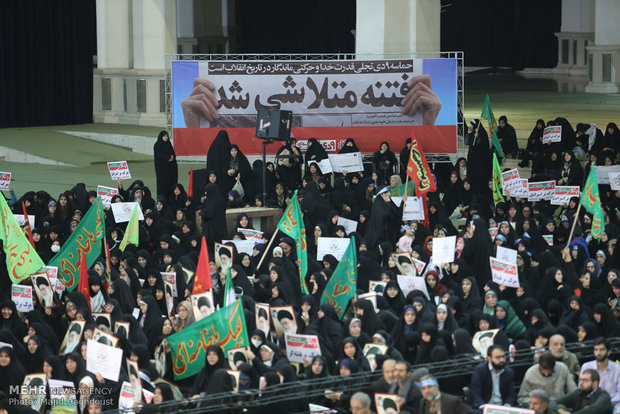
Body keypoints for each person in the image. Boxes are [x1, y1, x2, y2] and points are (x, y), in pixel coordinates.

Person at [469, 344, 516, 411]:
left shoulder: (508, 372)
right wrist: (484, 408)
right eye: (498, 357)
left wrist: (507, 406)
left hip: (502, 407)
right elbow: (476, 393)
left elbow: (510, 395)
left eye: (503, 356)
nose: (502, 360)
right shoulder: (480, 370)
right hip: (485, 406)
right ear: (489, 358)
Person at [579, 337, 620, 404]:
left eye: (602, 349)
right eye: (596, 350)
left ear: (608, 352)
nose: (598, 353)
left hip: (611, 404)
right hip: (590, 404)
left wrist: (606, 403)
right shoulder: (586, 367)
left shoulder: (618, 369)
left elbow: (619, 394)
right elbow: (581, 389)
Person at [153, 130, 178, 201]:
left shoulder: (169, 144)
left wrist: (172, 157)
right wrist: (168, 157)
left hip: (170, 168)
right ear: (161, 137)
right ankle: (161, 198)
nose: (166, 138)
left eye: (167, 136)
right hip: (162, 169)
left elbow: (173, 154)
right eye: (164, 136)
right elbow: (158, 155)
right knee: (162, 183)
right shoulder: (157, 145)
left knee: (171, 182)